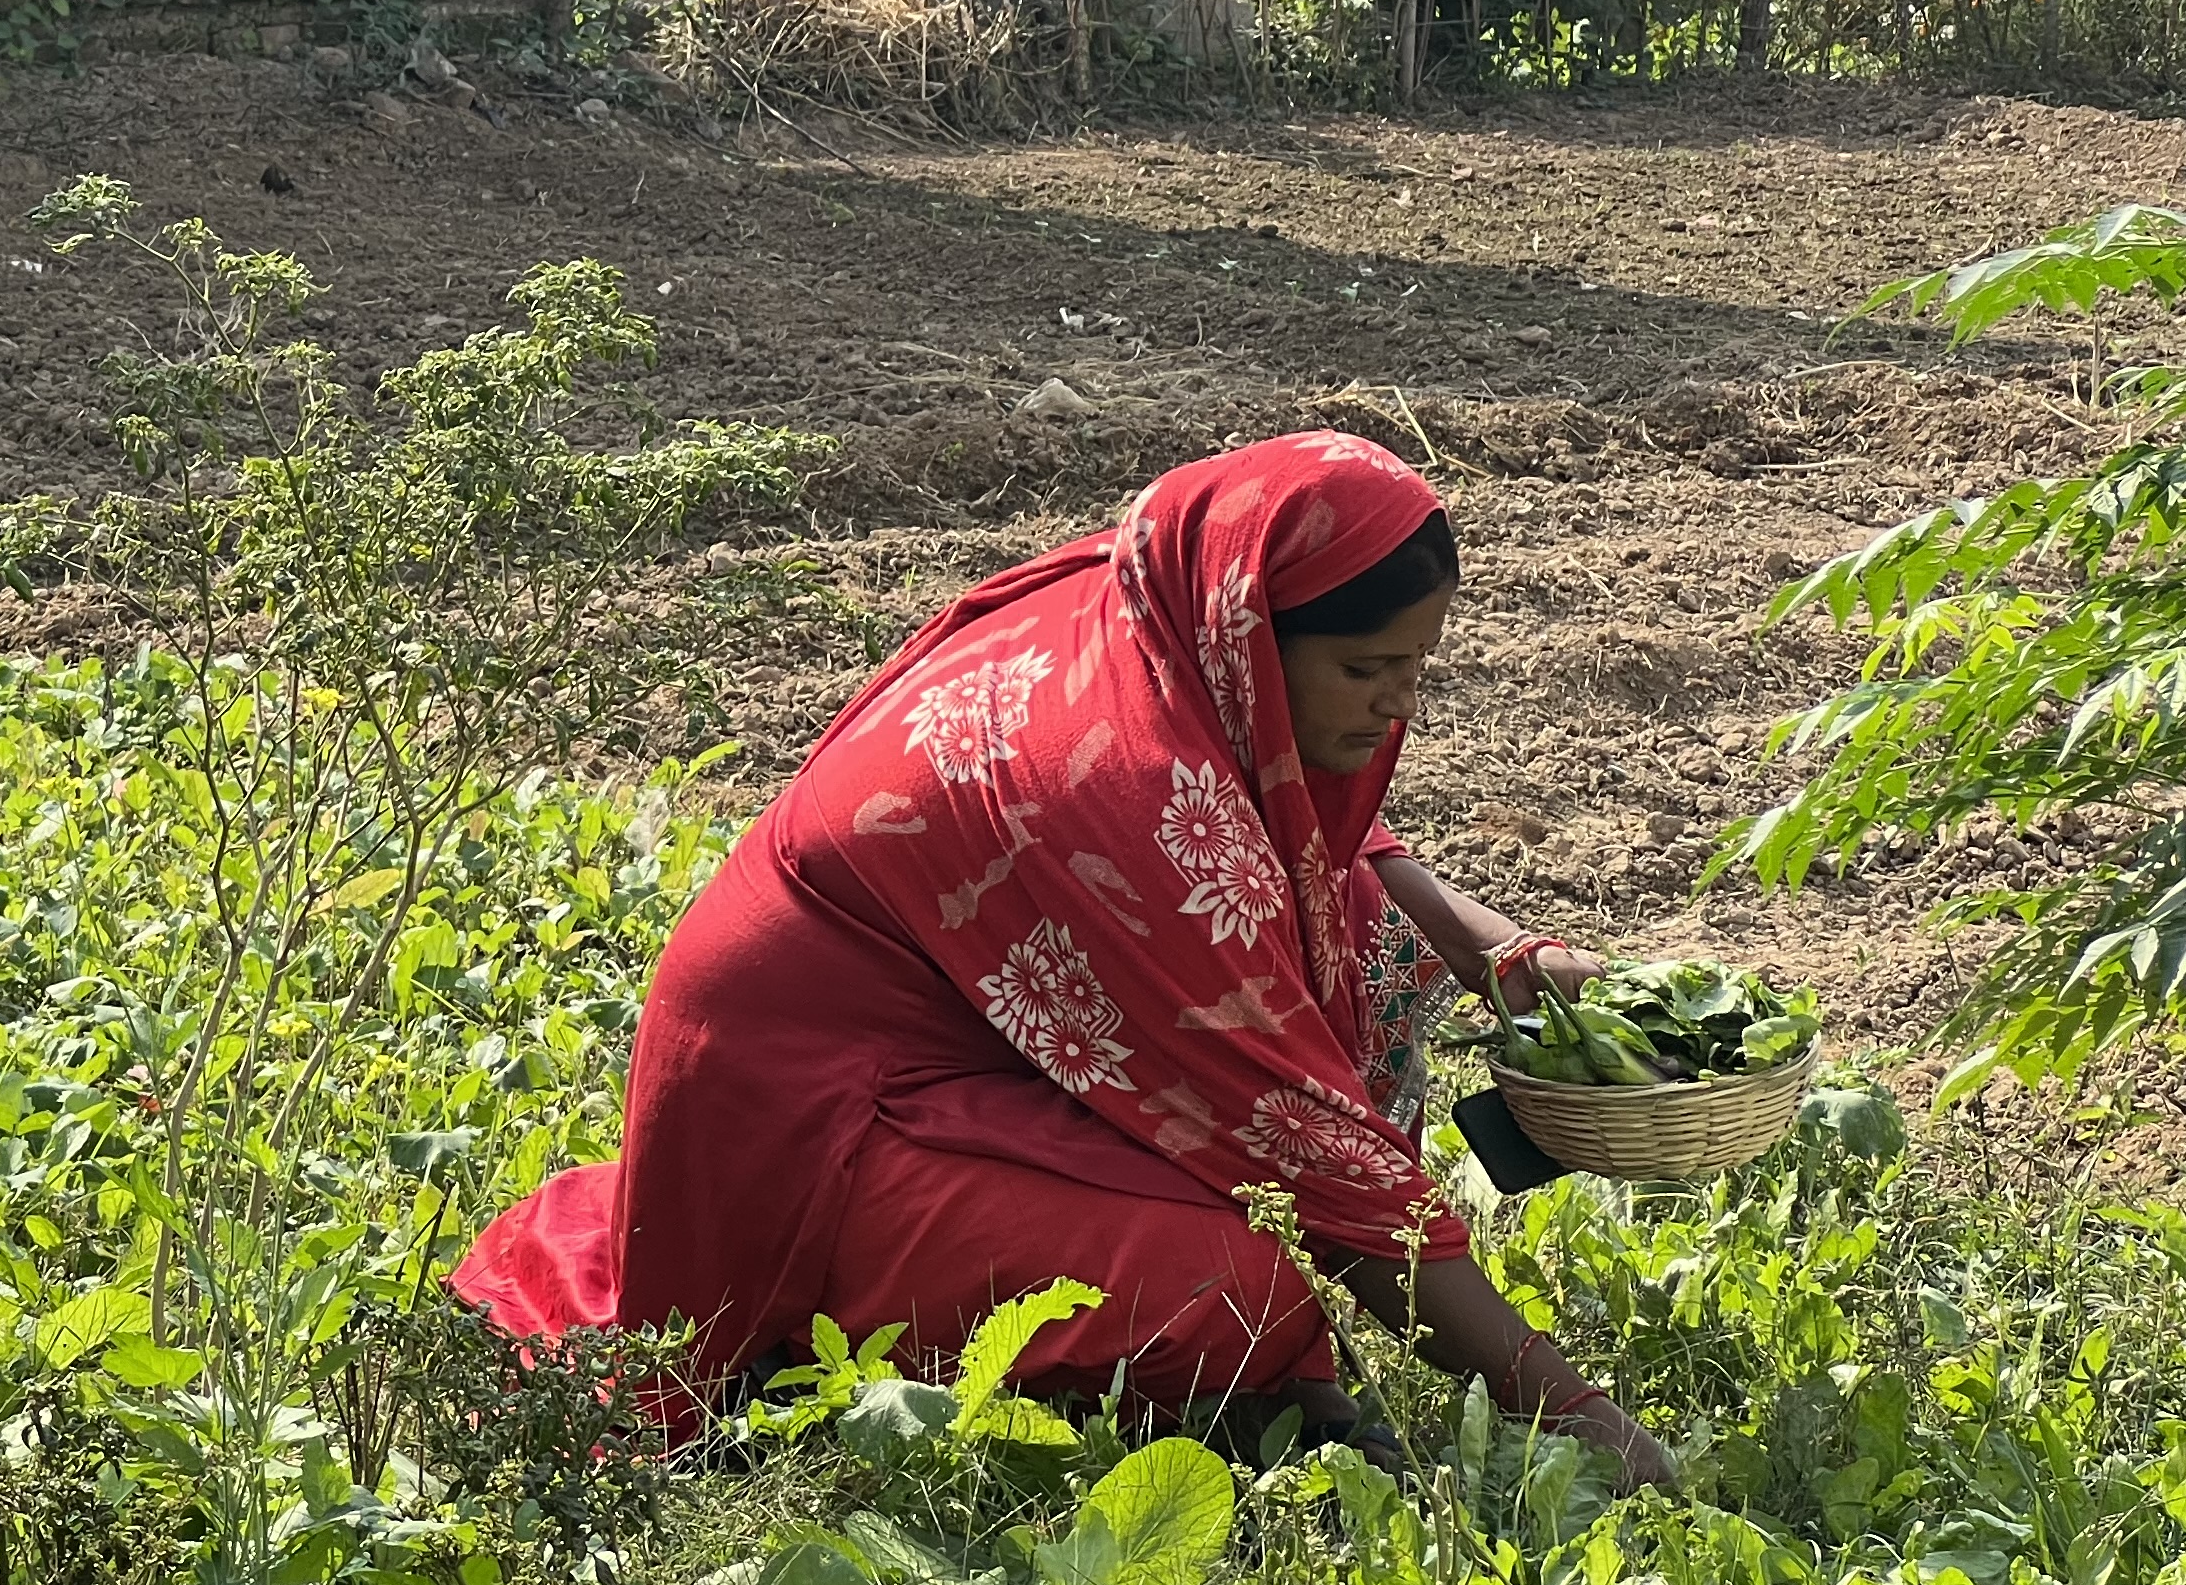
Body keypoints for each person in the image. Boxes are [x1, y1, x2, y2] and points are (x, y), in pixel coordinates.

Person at [454, 432, 1676, 1486]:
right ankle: (800, 1333)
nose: (1394, 710)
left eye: (1417, 670)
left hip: (922, 1028)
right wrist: (1581, 1417)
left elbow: (1316, 832)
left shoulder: (1157, 618)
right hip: (814, 1115)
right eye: (1365, 671)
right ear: (1253, 634)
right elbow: (1333, 1187)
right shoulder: (1130, 801)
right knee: (1253, 1282)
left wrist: (1493, 948)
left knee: (1365, 941)